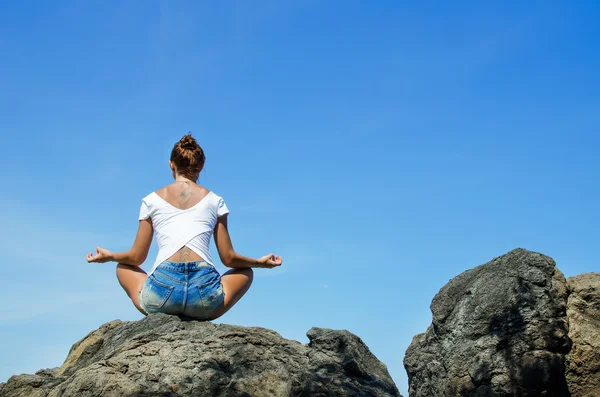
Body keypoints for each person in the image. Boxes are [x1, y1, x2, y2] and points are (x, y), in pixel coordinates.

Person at [86, 133, 282, 320]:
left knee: (123, 267)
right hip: (204, 296)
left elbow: (137, 257)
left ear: (171, 164)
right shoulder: (215, 201)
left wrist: (110, 256)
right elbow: (229, 259)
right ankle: (201, 313)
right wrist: (258, 262)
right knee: (246, 271)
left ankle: (159, 308)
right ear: (202, 166)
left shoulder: (151, 200)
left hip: (162, 294)